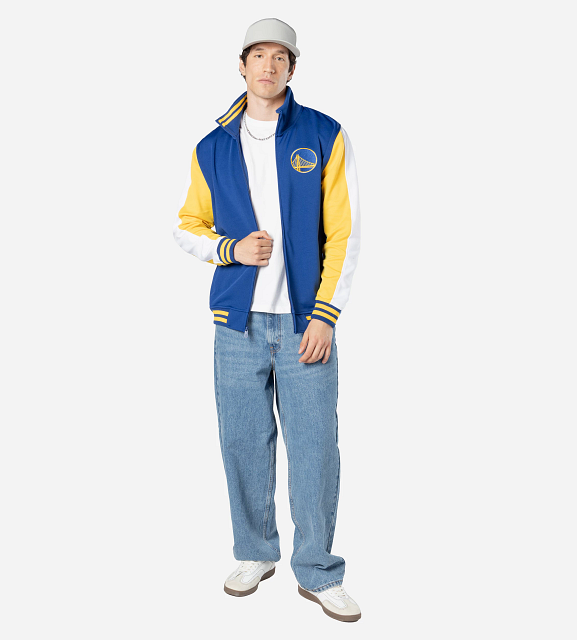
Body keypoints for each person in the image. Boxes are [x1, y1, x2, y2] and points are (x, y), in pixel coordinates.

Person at [172, 17, 362, 623]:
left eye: (280, 57)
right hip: (237, 324)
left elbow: (345, 233)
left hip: (306, 324)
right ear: (242, 64)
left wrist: (326, 316)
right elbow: (186, 227)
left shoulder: (324, 134)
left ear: (292, 68)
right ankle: (255, 552)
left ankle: (319, 570)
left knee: (316, 450)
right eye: (259, 55)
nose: (269, 66)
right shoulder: (212, 146)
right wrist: (230, 249)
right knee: (242, 443)